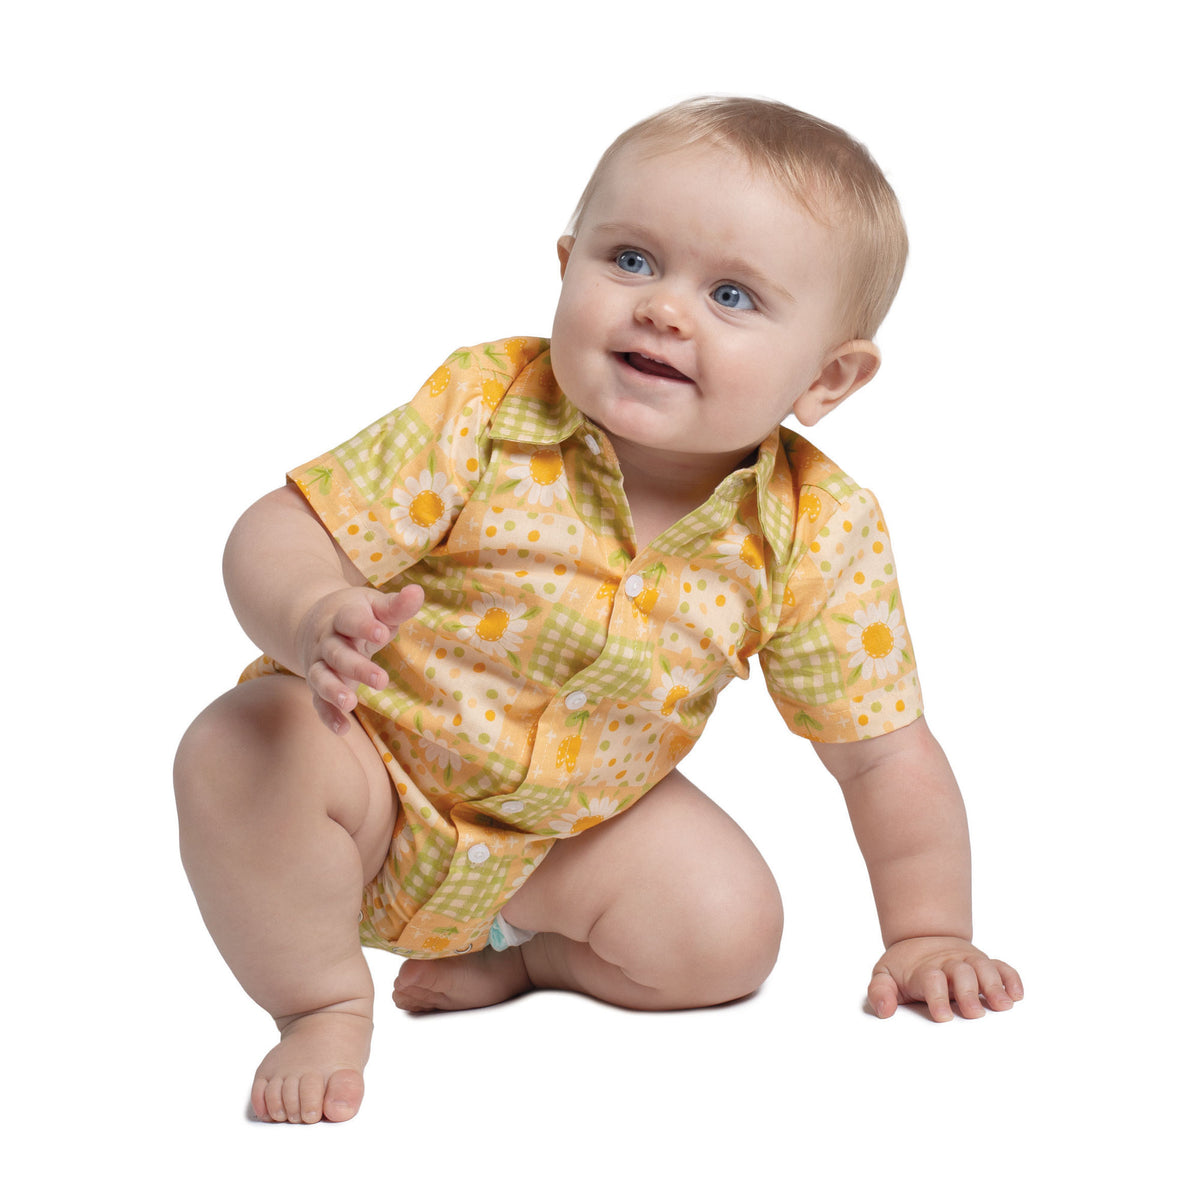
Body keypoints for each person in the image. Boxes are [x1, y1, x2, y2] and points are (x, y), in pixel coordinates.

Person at [175, 96, 1023, 1126]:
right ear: (567, 263)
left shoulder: (818, 528)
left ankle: (525, 962)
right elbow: (286, 525)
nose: (666, 310)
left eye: (732, 295)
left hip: (568, 838)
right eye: (631, 262)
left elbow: (883, 753)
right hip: (365, 777)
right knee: (237, 747)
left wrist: (929, 929)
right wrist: (309, 610)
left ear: (828, 377)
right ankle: (318, 1000)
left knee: (729, 931)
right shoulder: (489, 405)